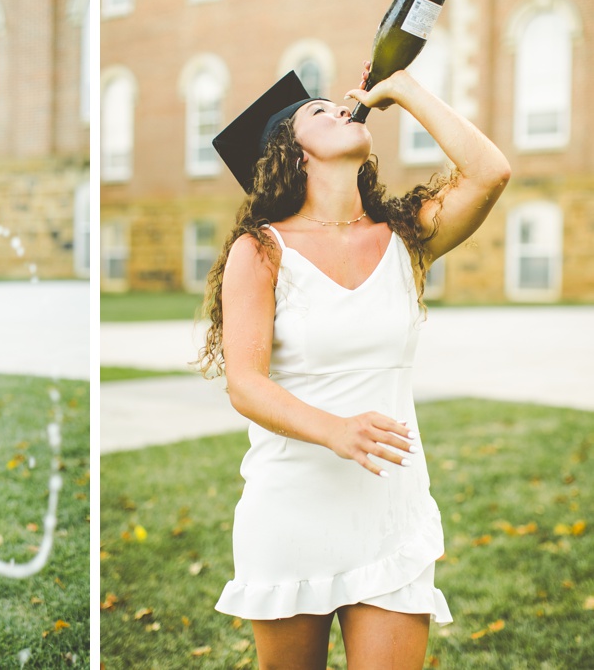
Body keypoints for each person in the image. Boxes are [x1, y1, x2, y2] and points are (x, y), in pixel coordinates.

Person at [199, 65, 511, 668]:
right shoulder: (260, 250)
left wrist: (403, 89)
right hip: (291, 509)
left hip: (389, 512)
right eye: (318, 111)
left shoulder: (404, 236)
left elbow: (490, 172)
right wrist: (336, 430)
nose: (341, 108)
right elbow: (246, 382)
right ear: (290, 151)